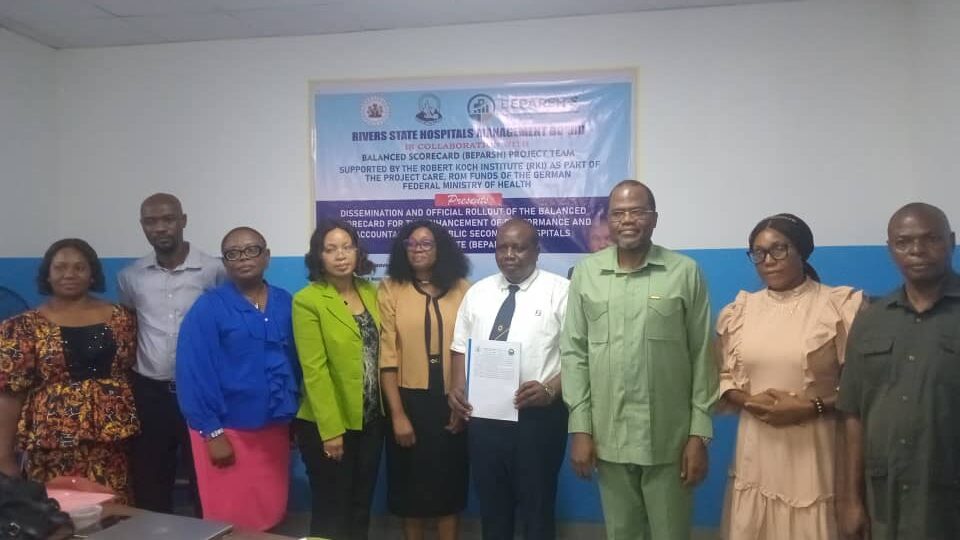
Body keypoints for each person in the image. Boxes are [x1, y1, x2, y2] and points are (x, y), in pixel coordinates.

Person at [561, 180, 717, 540]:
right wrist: (580, 428)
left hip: (670, 439)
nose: (627, 220)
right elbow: (574, 354)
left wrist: (699, 435)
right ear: (609, 221)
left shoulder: (684, 272)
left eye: (637, 212)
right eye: (618, 213)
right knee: (621, 533)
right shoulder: (587, 274)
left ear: (654, 218)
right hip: (608, 436)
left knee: (671, 534)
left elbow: (702, 356)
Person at [716, 214, 863, 539]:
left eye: (779, 249)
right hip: (757, 448)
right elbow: (724, 376)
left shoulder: (838, 307)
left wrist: (811, 407)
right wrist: (749, 401)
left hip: (815, 448)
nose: (768, 260)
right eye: (759, 253)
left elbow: (862, 389)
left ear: (802, 251)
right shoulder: (739, 311)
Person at [837, 203, 960, 539]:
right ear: (890, 249)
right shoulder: (871, 319)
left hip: (948, 499)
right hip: (885, 500)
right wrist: (851, 500)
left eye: (931, 239)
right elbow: (852, 414)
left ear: (951, 241)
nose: (917, 250)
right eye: (903, 242)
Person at [448, 219, 569, 539]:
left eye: (519, 247)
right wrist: (457, 387)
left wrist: (551, 389)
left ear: (537, 251)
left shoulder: (561, 292)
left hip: (538, 418)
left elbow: (580, 356)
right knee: (493, 508)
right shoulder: (478, 292)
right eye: (502, 247)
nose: (509, 254)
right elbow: (459, 347)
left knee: (537, 509)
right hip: (485, 419)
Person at [175, 227, 300, 531]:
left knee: (271, 511)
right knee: (230, 519)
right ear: (225, 263)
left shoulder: (286, 302)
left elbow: (296, 363)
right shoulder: (208, 307)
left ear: (267, 256)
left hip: (273, 431)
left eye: (251, 250)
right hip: (225, 430)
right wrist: (212, 432)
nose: (243, 258)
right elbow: (193, 371)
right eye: (233, 253)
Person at [0, 239, 138, 501]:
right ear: (47, 275)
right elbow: (9, 395)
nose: (69, 274)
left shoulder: (122, 318)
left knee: (113, 510)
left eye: (79, 267)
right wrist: (3, 456)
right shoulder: (23, 327)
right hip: (51, 445)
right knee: (57, 511)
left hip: (111, 441)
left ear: (92, 274)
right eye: (60, 267)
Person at [118, 193, 225, 513]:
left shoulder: (213, 270)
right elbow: (129, 326)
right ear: (142, 226)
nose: (160, 228)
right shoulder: (130, 277)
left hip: (202, 392)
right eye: (151, 221)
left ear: (183, 221)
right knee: (151, 481)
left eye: (168, 219)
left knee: (206, 479)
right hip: (150, 393)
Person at [292, 219, 384, 539]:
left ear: (358, 252)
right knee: (332, 510)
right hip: (329, 424)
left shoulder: (371, 291)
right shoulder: (308, 300)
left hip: (370, 420)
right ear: (319, 256)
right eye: (330, 249)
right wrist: (331, 431)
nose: (340, 255)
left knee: (361, 505)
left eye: (347, 247)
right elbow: (314, 370)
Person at [378, 220, 470, 540]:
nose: (418, 248)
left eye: (426, 243)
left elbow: (469, 348)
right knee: (410, 489)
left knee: (449, 485)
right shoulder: (391, 288)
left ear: (440, 248)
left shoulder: (463, 289)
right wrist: (398, 415)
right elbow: (387, 357)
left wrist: (461, 403)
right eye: (411, 243)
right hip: (407, 401)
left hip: (452, 399)